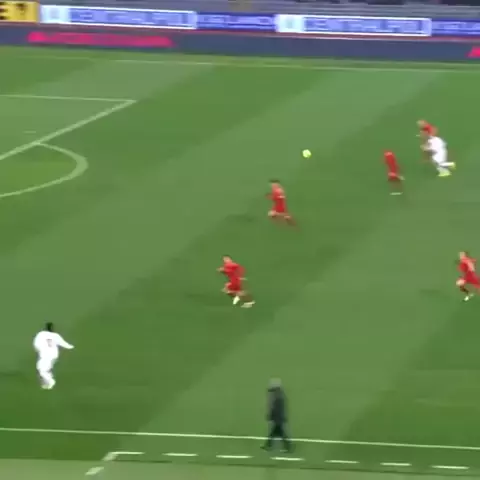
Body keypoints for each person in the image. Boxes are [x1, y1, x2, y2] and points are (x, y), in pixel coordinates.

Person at [33, 322, 74, 390]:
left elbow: (36, 343)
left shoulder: (41, 334)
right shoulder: (55, 335)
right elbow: (63, 343)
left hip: (45, 355)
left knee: (41, 370)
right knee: (46, 368)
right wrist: (71, 347)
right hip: (54, 355)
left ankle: (51, 382)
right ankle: (47, 383)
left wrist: (38, 349)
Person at [262, 378, 291, 452]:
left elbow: (275, 409)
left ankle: (287, 447)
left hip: (278, 419)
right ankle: (268, 445)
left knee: (278, 433)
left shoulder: (278, 397)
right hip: (279, 418)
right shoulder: (279, 395)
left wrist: (271, 416)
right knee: (276, 433)